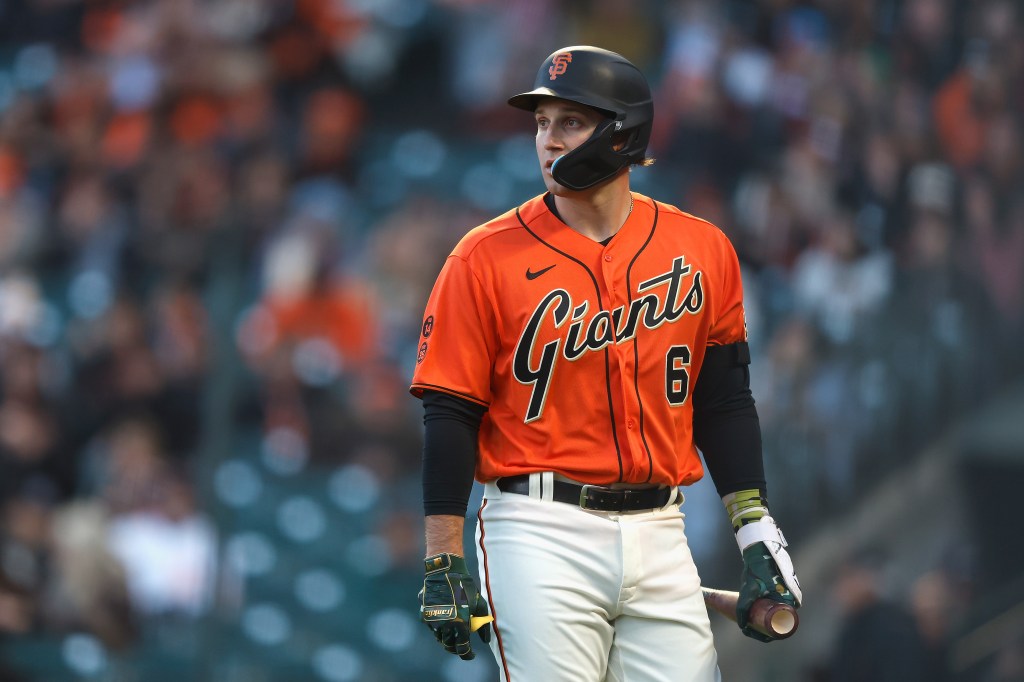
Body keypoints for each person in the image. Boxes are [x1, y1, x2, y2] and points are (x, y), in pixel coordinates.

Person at [411, 45, 802, 681]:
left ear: (623, 132)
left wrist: (754, 530)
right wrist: (442, 557)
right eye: (540, 123)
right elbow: (450, 413)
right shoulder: (481, 258)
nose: (547, 140)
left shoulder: (703, 249)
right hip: (538, 528)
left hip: (661, 528)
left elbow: (725, 401)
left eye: (569, 121)